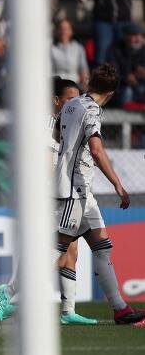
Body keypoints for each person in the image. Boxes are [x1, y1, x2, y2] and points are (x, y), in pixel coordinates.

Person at [0, 77, 99, 325]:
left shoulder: (65, 124)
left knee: (69, 248)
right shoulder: (46, 123)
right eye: (70, 99)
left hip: (61, 194)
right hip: (47, 196)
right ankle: (8, 292)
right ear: (56, 100)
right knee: (53, 251)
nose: (75, 104)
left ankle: (67, 311)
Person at [52, 64, 144, 326]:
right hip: (73, 189)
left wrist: (71, 150)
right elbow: (96, 149)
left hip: (82, 190)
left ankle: (120, 308)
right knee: (53, 252)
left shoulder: (72, 103)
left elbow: (57, 133)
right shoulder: (92, 109)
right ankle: (10, 293)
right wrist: (118, 184)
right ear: (112, 92)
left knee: (102, 248)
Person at [91, 0, 133, 65]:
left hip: (124, 19)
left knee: (125, 52)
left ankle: (124, 75)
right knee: (102, 51)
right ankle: (101, 76)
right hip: (103, 20)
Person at [106, 23, 145, 107]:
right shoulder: (115, 50)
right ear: (125, 37)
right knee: (127, 91)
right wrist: (126, 78)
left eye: (140, 36)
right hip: (121, 87)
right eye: (134, 35)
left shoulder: (143, 50)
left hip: (140, 84)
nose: (138, 39)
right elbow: (112, 73)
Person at [51, 19, 90, 89]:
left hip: (75, 86)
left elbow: (84, 70)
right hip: (56, 87)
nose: (64, 31)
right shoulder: (51, 48)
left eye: (66, 29)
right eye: (61, 28)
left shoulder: (79, 48)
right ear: (57, 30)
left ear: (71, 31)